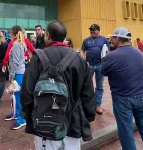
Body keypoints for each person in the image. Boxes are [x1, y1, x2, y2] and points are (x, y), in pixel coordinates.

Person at [21, 21, 95, 150]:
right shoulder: (79, 59)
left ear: (48, 35)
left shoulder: (38, 58)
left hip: (44, 122)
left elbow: (27, 92)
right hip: (73, 121)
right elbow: (88, 93)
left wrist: (29, 117)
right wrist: (88, 116)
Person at [101, 27, 143, 150]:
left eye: (113, 38)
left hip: (123, 98)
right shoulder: (138, 52)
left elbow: (103, 71)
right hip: (142, 95)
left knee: (126, 131)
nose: (111, 40)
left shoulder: (112, 55)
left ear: (117, 38)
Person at [81, 24, 110, 115]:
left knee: (99, 86)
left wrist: (106, 61)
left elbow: (107, 51)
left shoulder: (104, 39)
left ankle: (98, 105)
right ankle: (88, 104)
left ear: (98, 30)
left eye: (93, 30)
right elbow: (82, 50)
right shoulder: (86, 40)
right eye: (91, 30)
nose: (92, 31)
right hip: (89, 66)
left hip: (100, 65)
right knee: (87, 85)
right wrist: (84, 60)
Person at [3, 25, 27, 130]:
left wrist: (11, 75)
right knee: (16, 94)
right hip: (18, 72)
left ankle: (21, 118)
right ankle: (16, 114)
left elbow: (16, 61)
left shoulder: (17, 44)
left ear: (13, 32)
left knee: (18, 95)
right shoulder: (19, 43)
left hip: (18, 73)